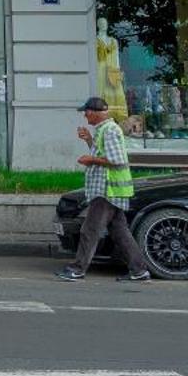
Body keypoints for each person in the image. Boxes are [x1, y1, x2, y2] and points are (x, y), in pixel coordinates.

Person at [58, 96, 153, 282]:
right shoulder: (104, 130)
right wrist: (89, 141)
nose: (85, 116)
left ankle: (77, 269)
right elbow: (104, 153)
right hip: (111, 190)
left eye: (86, 112)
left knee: (90, 230)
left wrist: (89, 159)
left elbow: (117, 160)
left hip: (107, 189)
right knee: (120, 231)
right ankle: (139, 270)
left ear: (94, 112)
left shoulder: (109, 130)